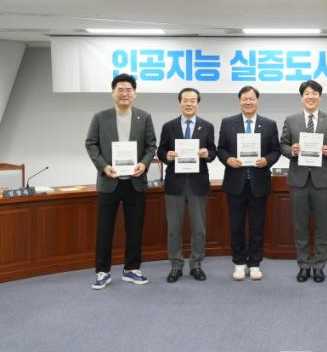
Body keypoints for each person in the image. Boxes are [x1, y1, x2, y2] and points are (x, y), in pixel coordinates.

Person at [85, 73, 156, 289]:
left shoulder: (144, 117)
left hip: (135, 182)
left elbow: (151, 146)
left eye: (129, 90)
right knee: (105, 229)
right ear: (112, 93)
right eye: (120, 89)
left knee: (134, 228)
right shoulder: (100, 117)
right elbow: (91, 143)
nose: (125, 93)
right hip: (109, 181)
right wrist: (103, 166)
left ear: (135, 93)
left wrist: (144, 164)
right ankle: (102, 271)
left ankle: (131, 269)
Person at [280, 80, 327, 283]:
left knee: (322, 226)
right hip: (298, 180)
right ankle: (304, 265)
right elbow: (283, 145)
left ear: (320, 97)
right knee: (300, 226)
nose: (311, 97)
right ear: (302, 97)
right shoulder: (291, 120)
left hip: (322, 180)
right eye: (307, 93)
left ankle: (319, 266)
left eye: (314, 93)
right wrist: (292, 150)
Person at [217, 86, 280, 280]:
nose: (248, 102)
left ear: (257, 101)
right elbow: (221, 149)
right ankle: (238, 262)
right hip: (235, 183)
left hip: (258, 183)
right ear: (239, 101)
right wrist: (228, 159)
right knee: (236, 226)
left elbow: (276, 150)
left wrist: (266, 160)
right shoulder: (228, 123)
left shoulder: (269, 124)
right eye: (244, 99)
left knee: (257, 226)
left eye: (251, 98)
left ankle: (254, 263)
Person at [157, 87, 216, 283]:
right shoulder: (169, 126)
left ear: (198, 103)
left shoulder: (207, 126)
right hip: (175, 183)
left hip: (198, 183)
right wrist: (167, 155)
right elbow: (161, 150)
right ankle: (176, 266)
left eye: (192, 100)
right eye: (185, 100)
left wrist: (207, 154)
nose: (189, 104)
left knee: (199, 228)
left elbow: (213, 151)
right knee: (174, 229)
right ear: (179, 102)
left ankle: (196, 264)